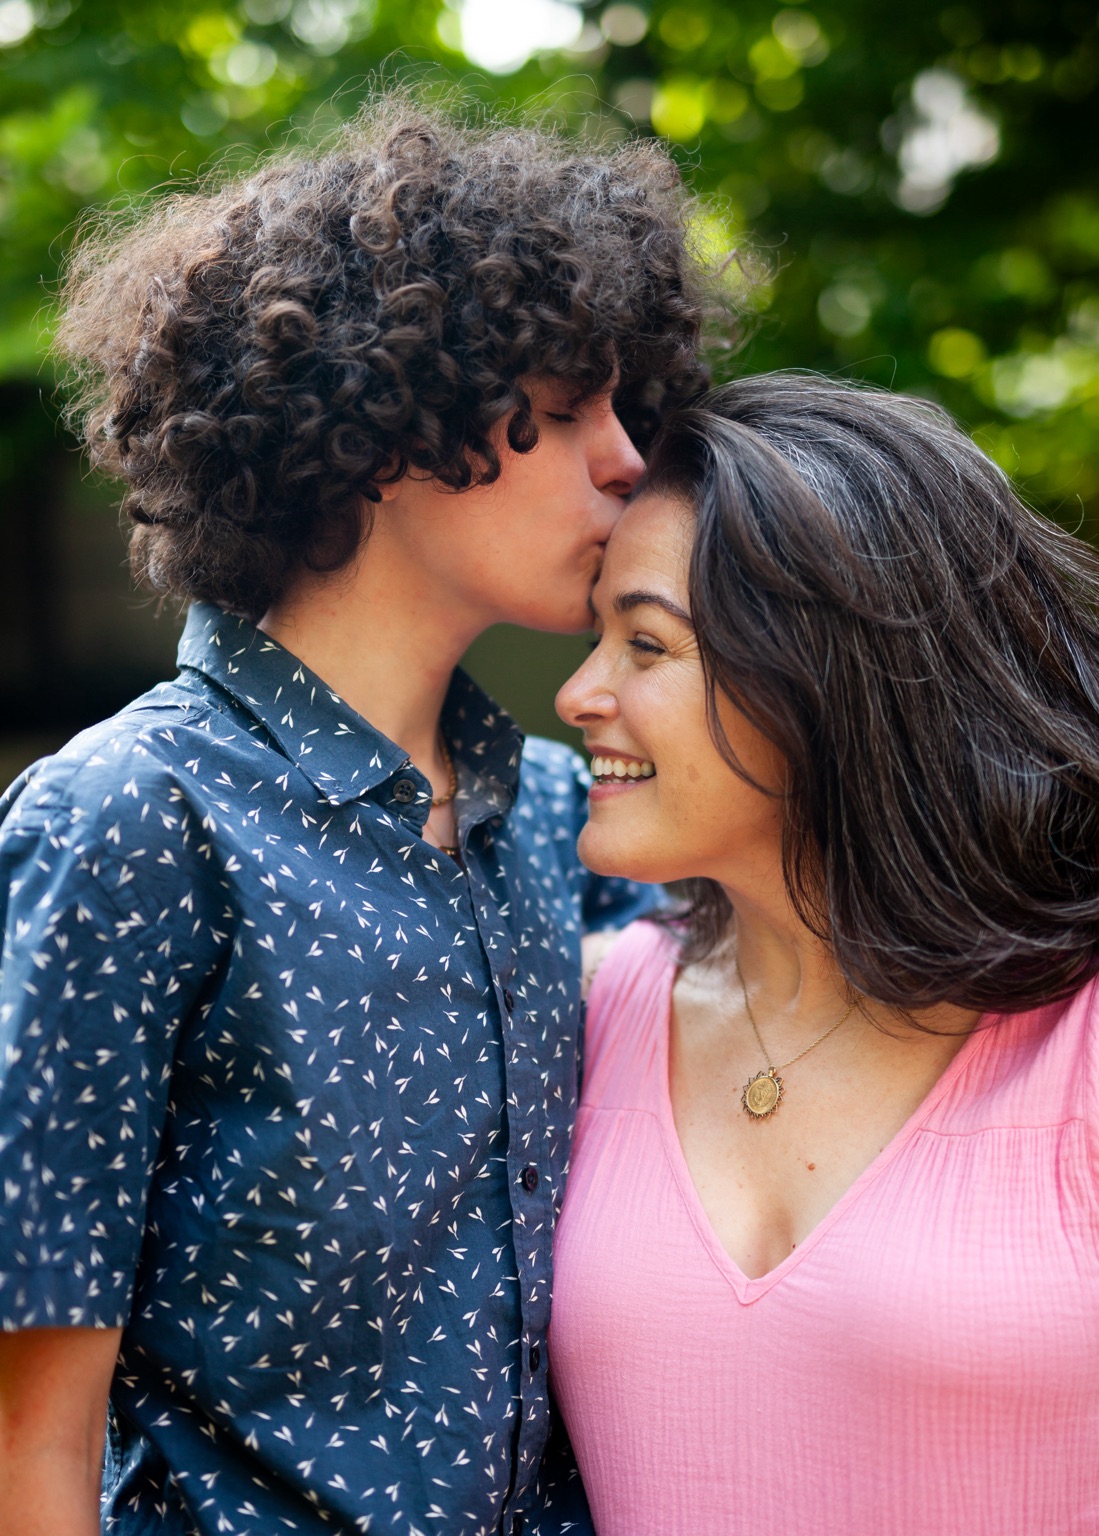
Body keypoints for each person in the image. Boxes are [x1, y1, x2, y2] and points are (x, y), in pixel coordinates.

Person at [0, 96, 712, 1536]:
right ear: (386, 416)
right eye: (567, 408)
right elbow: (30, 1442)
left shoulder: (566, 817)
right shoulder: (127, 822)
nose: (626, 460)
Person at [550, 371, 1099, 1536]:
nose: (577, 693)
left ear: (817, 675)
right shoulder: (596, 1007)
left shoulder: (1079, 1032)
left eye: (645, 643)